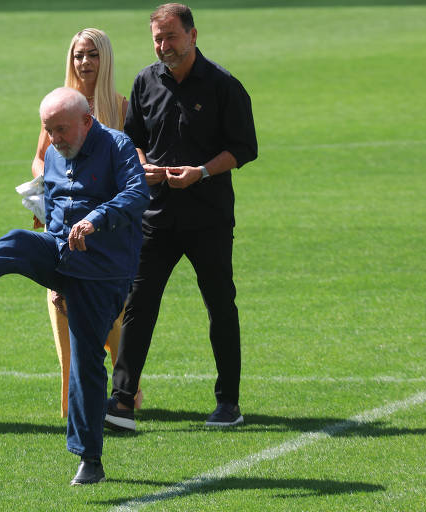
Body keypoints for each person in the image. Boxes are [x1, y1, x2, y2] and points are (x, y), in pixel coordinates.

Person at [0, 87, 149, 485]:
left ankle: (90, 459)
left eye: (62, 129)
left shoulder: (117, 146)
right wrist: (54, 271)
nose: (55, 139)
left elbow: (137, 194)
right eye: (48, 130)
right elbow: (56, 208)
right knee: (16, 241)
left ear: (86, 121)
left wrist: (96, 218)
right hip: (61, 252)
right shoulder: (52, 153)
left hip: (102, 272)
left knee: (85, 361)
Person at [104, 3, 257, 432]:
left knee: (220, 306)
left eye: (170, 36)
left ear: (192, 35)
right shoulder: (144, 82)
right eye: (157, 38)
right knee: (139, 305)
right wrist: (142, 166)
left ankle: (229, 403)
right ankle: (122, 402)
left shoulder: (224, 85)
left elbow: (244, 147)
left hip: (208, 216)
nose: (163, 46)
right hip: (155, 215)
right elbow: (131, 139)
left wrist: (202, 172)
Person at [30, 28, 142, 418]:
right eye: (78, 55)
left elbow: (133, 168)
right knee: (63, 319)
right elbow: (40, 157)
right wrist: (43, 186)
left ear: (105, 58)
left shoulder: (122, 107)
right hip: (62, 229)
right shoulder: (59, 103)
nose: (84, 62)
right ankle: (74, 409)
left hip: (107, 237)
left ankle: (124, 397)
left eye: (92, 55)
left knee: (112, 324)